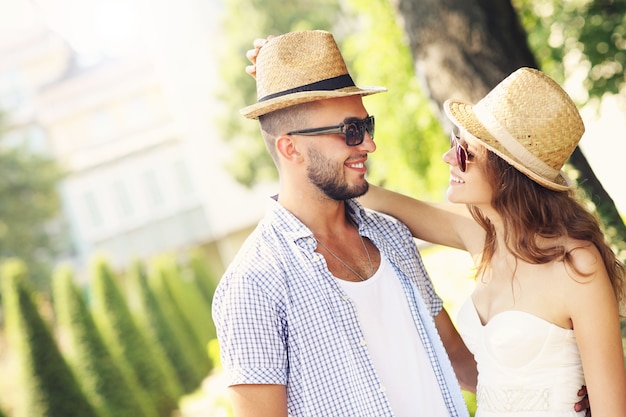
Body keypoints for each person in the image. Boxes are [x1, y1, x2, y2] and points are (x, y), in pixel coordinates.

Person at [212, 30, 476, 417]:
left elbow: (458, 360)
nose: (368, 144)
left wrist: (549, 389)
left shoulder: (392, 235)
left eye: (367, 127)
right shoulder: (253, 285)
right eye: (350, 131)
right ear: (291, 148)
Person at [359, 67, 626, 416]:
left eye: (464, 152)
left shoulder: (576, 264)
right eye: (455, 145)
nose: (448, 158)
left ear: (507, 172)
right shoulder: (480, 231)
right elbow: (365, 196)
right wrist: (286, 88)